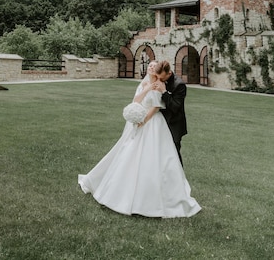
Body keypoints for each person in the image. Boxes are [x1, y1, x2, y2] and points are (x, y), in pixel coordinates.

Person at [78, 60, 201, 218]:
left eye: (154, 68)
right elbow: (137, 100)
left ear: (163, 74)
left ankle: (167, 192)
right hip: (145, 122)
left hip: (160, 124)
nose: (152, 70)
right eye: (150, 66)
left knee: (163, 158)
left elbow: (158, 107)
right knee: (132, 154)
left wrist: (144, 119)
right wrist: (139, 111)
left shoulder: (167, 85)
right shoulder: (147, 83)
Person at [154, 60, 187, 166]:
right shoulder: (158, 79)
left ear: (169, 73)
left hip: (174, 123)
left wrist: (164, 92)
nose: (159, 80)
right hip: (159, 121)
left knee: (174, 153)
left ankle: (180, 179)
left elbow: (175, 107)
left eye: (162, 78)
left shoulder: (179, 85)